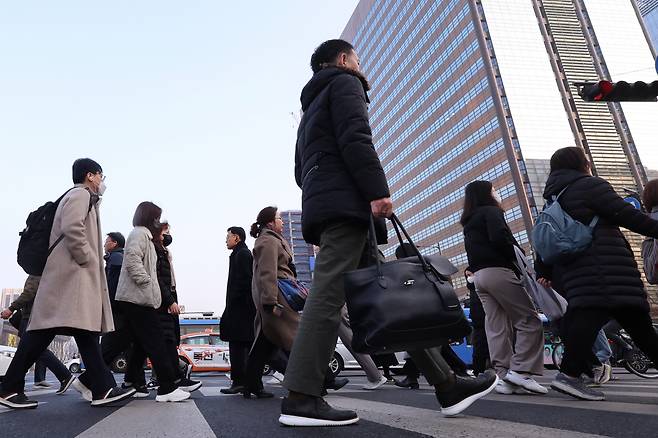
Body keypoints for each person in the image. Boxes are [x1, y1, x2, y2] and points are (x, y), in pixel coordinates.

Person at [281, 40, 496, 427]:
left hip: (333, 205)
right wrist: (377, 190)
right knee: (328, 297)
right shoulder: (344, 83)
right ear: (344, 60)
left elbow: (300, 171)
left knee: (393, 298)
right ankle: (301, 395)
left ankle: (446, 383)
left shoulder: (308, 111)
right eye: (358, 61)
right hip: (348, 208)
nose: (361, 68)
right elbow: (357, 137)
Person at [0, 158, 135, 409]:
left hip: (70, 276)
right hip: (71, 276)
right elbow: (73, 228)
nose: (102, 182)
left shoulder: (84, 198)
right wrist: (88, 258)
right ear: (90, 176)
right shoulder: (80, 195)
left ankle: (102, 388)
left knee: (80, 331)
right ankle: (9, 388)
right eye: (101, 176)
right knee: (51, 332)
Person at [534, 147, 658, 400]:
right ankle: (568, 376)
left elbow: (545, 237)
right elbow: (628, 216)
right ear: (582, 163)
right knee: (623, 324)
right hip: (606, 270)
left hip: (582, 273)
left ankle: (569, 375)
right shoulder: (590, 185)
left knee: (636, 327)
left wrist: (543, 269)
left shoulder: (554, 198)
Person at [461, 180, 547, 396]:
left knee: (496, 326)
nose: (496, 193)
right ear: (486, 194)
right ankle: (521, 371)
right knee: (529, 320)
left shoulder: (469, 220)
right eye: (493, 189)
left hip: (479, 277)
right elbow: (500, 238)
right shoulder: (491, 212)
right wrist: (517, 255)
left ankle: (503, 375)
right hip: (499, 272)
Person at [114, 202, 191, 403]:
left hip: (138, 297)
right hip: (137, 297)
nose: (158, 221)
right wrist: (147, 283)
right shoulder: (139, 234)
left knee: (128, 340)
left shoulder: (145, 236)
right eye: (156, 218)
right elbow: (132, 260)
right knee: (156, 341)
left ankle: (90, 380)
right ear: (148, 217)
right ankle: (167, 388)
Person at [127, 222, 201, 395]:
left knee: (145, 343)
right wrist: (169, 300)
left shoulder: (162, 249)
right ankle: (171, 381)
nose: (167, 234)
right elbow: (157, 277)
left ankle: (134, 380)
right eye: (165, 231)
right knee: (163, 340)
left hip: (162, 297)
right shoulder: (153, 247)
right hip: (158, 300)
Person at [1, 275, 75, 393]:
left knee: (32, 348)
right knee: (33, 348)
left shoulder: (36, 269)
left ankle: (12, 387)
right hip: (37, 314)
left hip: (31, 316)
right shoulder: (49, 270)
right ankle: (19, 383)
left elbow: (29, 292)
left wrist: (11, 308)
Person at [220, 226, 257, 395]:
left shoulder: (242, 254)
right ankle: (244, 382)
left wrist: (233, 305)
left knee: (238, 346)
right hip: (240, 308)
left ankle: (240, 382)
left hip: (241, 309)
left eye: (228, 236)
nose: (226, 239)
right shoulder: (238, 254)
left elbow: (246, 282)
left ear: (237, 238)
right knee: (241, 345)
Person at [465, 269, 490, 376]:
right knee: (480, 346)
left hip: (485, 319)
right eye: (467, 276)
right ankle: (478, 370)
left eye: (470, 275)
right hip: (479, 321)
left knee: (481, 346)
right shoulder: (473, 288)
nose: (469, 278)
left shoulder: (479, 286)